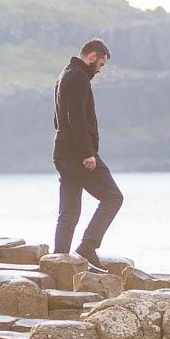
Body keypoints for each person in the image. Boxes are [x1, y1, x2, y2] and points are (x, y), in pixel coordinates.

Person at [52, 38, 124, 271]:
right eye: (101, 64)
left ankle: (58, 261)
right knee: (113, 197)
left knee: (69, 211)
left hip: (62, 153)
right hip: (78, 155)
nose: (100, 69)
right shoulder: (78, 77)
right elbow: (76, 119)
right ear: (92, 57)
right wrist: (87, 154)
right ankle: (87, 246)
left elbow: (58, 119)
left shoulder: (65, 73)